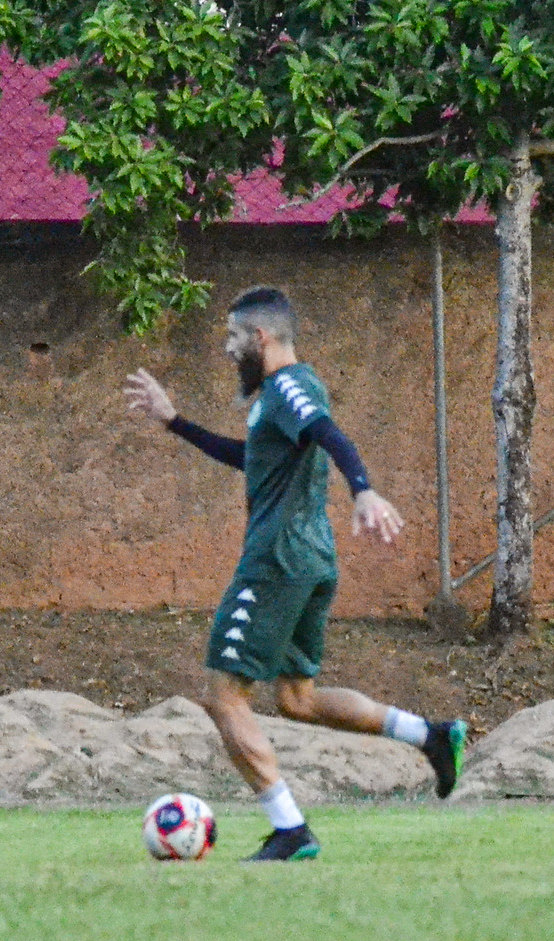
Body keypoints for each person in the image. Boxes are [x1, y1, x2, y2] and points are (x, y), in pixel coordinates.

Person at [122, 286, 468, 862]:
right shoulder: (273, 399)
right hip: (310, 556)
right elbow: (250, 458)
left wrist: (363, 490)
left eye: (234, 337)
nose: (229, 348)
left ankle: (290, 829)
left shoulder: (289, 387)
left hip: (276, 559)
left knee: (225, 694)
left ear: (261, 338)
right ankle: (429, 735)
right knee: (297, 698)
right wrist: (174, 421)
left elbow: (329, 433)